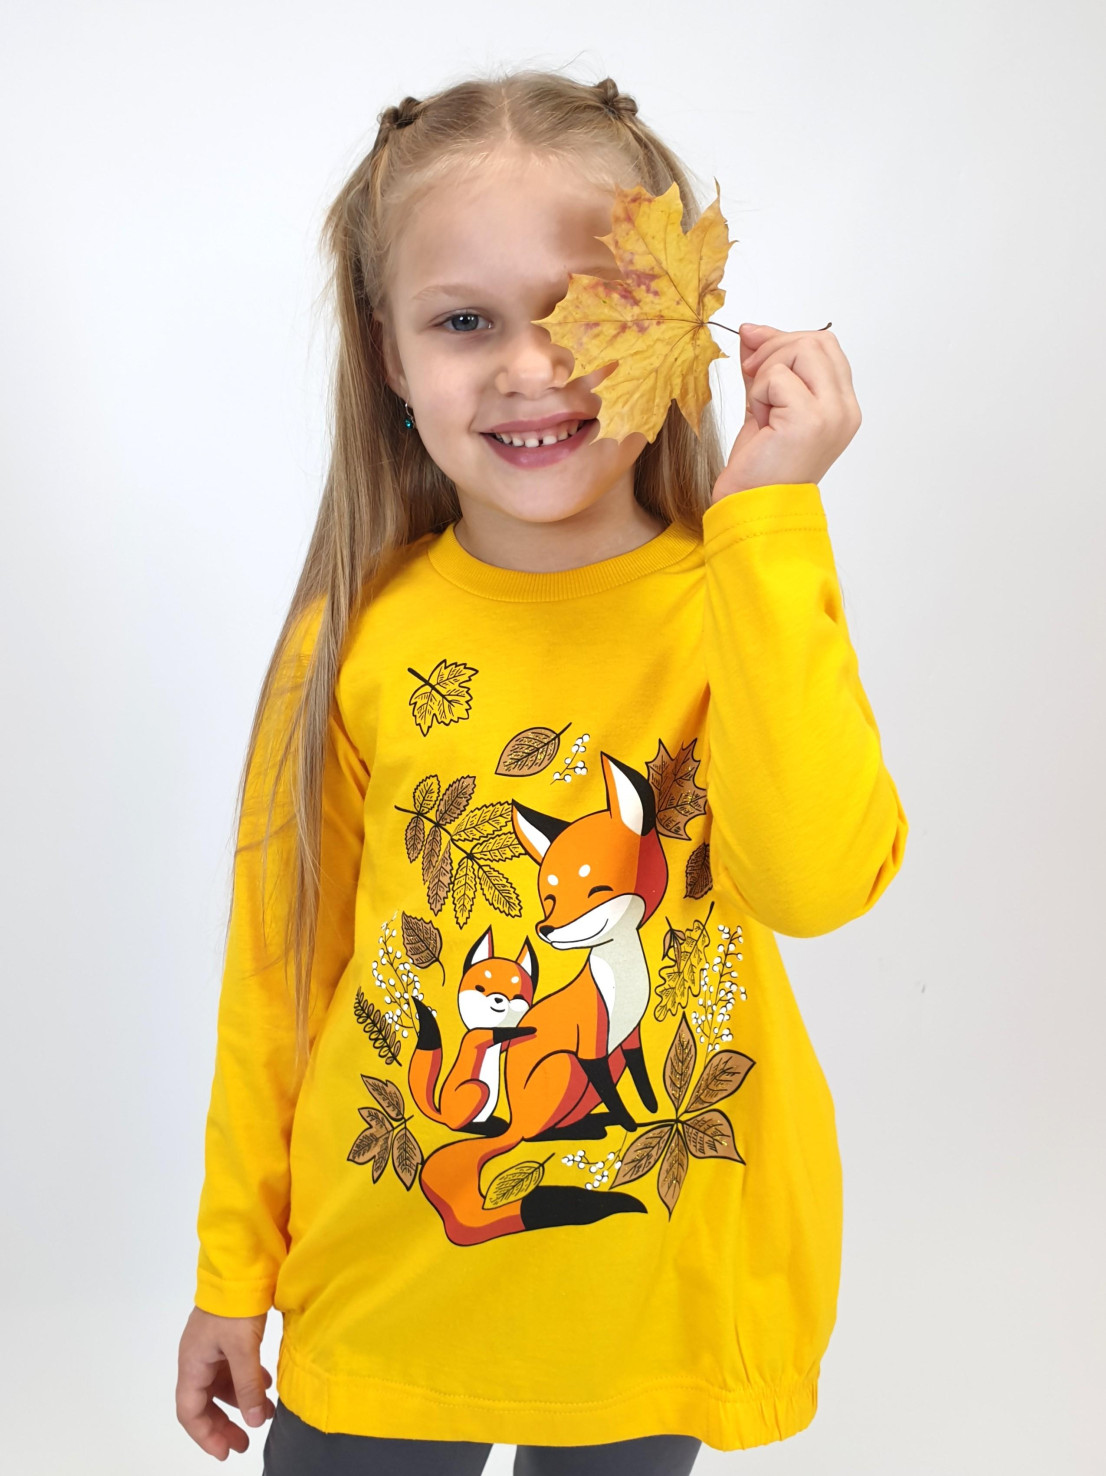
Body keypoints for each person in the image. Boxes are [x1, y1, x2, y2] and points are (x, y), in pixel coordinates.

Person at [175, 68, 908, 1475]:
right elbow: (275, 979)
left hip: (652, 1293)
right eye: (465, 321)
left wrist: (770, 520)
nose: (530, 367)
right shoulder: (353, 638)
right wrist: (231, 1267)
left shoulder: (737, 599)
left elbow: (813, 885)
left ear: (682, 325)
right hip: (386, 1293)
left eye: (586, 308)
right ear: (390, 355)